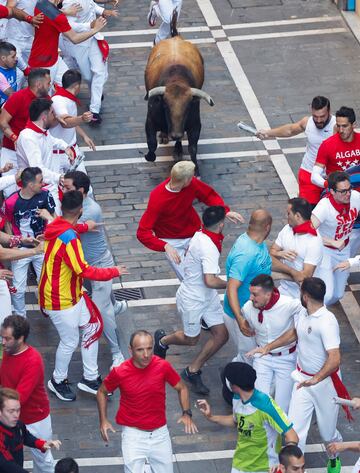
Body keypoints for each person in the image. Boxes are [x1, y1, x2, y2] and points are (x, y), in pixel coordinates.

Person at [248, 278, 350, 473]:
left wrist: (316, 378)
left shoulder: (327, 322)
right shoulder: (304, 313)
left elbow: (335, 358)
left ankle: (334, 455)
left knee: (327, 433)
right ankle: (291, 469)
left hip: (324, 384)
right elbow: (294, 333)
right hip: (302, 381)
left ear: (305, 296)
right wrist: (267, 348)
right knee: (294, 431)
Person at [39, 191, 128, 401]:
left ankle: (90, 377)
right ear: (80, 211)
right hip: (61, 299)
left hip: (68, 294)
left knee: (92, 327)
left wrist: (85, 227)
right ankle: (57, 381)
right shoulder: (69, 238)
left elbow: (68, 227)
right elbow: (84, 270)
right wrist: (114, 271)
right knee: (70, 341)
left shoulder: (56, 224)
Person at [96, 330, 198, 473]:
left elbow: (182, 388)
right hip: (133, 436)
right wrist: (103, 420)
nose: (146, 354)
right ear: (130, 350)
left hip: (160, 434)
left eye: (149, 348)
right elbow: (101, 392)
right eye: (140, 350)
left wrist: (187, 413)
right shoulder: (120, 372)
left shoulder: (162, 366)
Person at [153, 206, 229, 395]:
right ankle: (162, 341)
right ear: (220, 225)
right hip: (193, 299)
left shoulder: (200, 235)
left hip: (206, 297)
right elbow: (210, 280)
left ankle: (192, 370)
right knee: (191, 339)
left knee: (221, 335)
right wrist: (232, 284)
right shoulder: (209, 247)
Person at [62, 170, 128, 368]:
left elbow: (66, 229)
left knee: (101, 310)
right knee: (100, 299)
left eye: (67, 187)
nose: (64, 190)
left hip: (99, 264)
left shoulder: (89, 210)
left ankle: (117, 352)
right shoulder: (75, 203)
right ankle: (115, 305)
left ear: (81, 190)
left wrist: (50, 218)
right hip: (84, 265)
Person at [137, 160, 243, 280]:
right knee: (189, 280)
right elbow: (142, 232)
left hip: (194, 234)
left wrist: (225, 210)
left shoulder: (192, 183)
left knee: (208, 270)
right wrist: (165, 246)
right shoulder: (157, 198)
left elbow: (208, 195)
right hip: (172, 242)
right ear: (185, 180)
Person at [198, 362, 299, 473]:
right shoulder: (237, 398)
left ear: (234, 386)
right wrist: (211, 417)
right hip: (240, 465)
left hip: (264, 468)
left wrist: (283, 462)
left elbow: (292, 436)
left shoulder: (266, 406)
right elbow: (237, 421)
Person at [0, 315, 56, 473]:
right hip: (11, 415)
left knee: (43, 460)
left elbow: (20, 397)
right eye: (2, 338)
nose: (3, 342)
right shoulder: (8, 350)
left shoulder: (33, 360)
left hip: (34, 419)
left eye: (7, 339)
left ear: (21, 338)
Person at [257, 96, 335, 206]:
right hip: (309, 173)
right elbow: (290, 130)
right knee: (306, 213)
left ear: (329, 112)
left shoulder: (338, 126)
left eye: (322, 116)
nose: (318, 120)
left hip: (330, 176)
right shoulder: (307, 122)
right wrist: (268, 133)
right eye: (315, 116)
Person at [243, 275, 302, 413]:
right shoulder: (247, 308)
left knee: (283, 406)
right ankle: (265, 433)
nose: (251, 297)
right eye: (250, 293)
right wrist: (243, 324)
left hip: (286, 359)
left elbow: (312, 309)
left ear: (268, 294)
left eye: (255, 294)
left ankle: (281, 433)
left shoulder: (288, 304)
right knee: (259, 402)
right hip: (262, 359)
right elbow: (247, 324)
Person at [5, 167, 56, 317]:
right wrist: (13, 243)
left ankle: (45, 304)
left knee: (47, 284)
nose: (43, 183)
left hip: (42, 247)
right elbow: (7, 221)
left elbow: (54, 217)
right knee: (18, 289)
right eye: (40, 181)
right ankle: (21, 318)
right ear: (30, 185)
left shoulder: (46, 196)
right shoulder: (11, 202)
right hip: (21, 250)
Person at [223, 209, 272, 363]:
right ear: (267, 227)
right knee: (250, 357)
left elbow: (264, 261)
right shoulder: (246, 254)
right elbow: (232, 287)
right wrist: (240, 319)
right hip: (242, 315)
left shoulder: (256, 242)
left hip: (253, 311)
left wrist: (292, 273)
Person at [60, 0, 118, 125]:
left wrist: (104, 11)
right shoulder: (69, 3)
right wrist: (90, 25)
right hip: (78, 44)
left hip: (93, 38)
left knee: (99, 72)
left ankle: (94, 110)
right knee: (87, 76)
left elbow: (91, 4)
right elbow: (67, 24)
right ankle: (96, 92)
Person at [27, 0, 107, 86]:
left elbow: (50, 10)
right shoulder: (58, 17)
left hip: (52, 58)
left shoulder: (40, 4)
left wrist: (66, 12)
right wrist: (95, 29)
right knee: (44, 96)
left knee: (69, 84)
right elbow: (75, 38)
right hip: (44, 63)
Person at [16, 98, 74, 213]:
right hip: (36, 190)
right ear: (44, 117)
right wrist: (59, 178)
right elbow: (37, 169)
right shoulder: (28, 138)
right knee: (54, 223)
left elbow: (51, 140)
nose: (55, 116)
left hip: (48, 183)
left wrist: (65, 147)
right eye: (52, 113)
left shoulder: (41, 130)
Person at [0, 68, 51, 197]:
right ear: (39, 84)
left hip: (33, 151)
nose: (50, 85)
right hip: (11, 151)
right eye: (48, 83)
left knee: (36, 187)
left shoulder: (47, 100)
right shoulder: (18, 97)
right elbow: (2, 122)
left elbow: (50, 122)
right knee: (9, 190)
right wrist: (14, 138)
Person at [311, 171, 360, 305]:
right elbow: (307, 232)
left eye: (349, 189)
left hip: (344, 250)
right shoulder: (324, 207)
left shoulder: (355, 197)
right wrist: (331, 241)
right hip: (325, 251)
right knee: (327, 294)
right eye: (343, 191)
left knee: (338, 294)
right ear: (332, 191)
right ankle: (312, 315)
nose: (348, 194)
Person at [270, 197, 323, 298]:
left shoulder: (314, 241)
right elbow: (271, 252)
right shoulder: (287, 229)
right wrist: (279, 254)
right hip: (284, 288)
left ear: (297, 216)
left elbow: (305, 276)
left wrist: (278, 275)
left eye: (288, 213)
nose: (286, 216)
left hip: (303, 294)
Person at [0, 387, 61, 473]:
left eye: (18, 410)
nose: (16, 415)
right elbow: (6, 464)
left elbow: (25, 436)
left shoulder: (17, 424)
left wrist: (42, 444)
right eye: (11, 411)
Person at [50, 69, 95, 172]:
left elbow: (72, 120)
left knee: (84, 185)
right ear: (77, 86)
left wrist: (84, 136)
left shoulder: (68, 98)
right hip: (58, 155)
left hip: (73, 150)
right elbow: (65, 122)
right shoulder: (59, 100)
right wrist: (82, 119)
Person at [311, 106, 360, 190]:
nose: (340, 130)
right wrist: (329, 185)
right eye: (338, 126)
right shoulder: (327, 145)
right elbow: (314, 176)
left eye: (345, 126)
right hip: (337, 197)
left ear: (354, 125)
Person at [0, 41, 21, 107]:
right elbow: (12, 94)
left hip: (12, 101)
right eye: (13, 57)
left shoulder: (13, 64)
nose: (16, 59)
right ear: (3, 58)